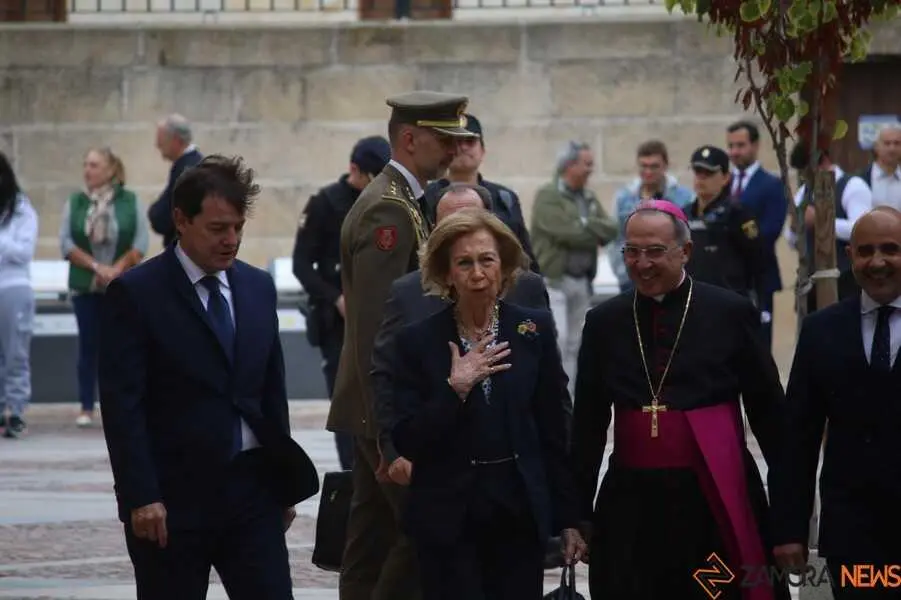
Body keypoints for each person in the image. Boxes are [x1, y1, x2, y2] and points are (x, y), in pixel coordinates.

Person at [98, 155, 319, 600]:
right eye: (218, 228)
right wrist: (141, 495)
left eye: (238, 227)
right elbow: (123, 407)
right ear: (181, 220)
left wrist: (281, 486)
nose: (231, 240)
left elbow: (270, 391)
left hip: (253, 493)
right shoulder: (137, 294)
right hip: (172, 500)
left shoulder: (257, 288)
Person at [571, 200, 789, 600]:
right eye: (632, 252)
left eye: (655, 251)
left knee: (715, 591)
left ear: (685, 251)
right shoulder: (604, 322)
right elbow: (587, 425)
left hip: (711, 503)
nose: (642, 263)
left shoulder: (730, 313)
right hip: (631, 509)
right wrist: (577, 513)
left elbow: (771, 417)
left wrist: (789, 518)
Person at [390, 208, 586, 600]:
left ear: (504, 266)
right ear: (447, 273)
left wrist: (570, 519)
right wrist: (455, 388)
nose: (477, 273)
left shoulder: (532, 329)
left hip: (517, 509)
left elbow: (554, 428)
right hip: (449, 514)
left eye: (487, 260)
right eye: (464, 263)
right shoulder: (418, 341)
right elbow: (408, 438)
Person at [326, 90, 476, 600]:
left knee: (371, 542)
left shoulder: (403, 201)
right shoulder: (388, 212)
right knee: (422, 532)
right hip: (388, 410)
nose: (455, 150)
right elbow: (378, 329)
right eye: (444, 139)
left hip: (383, 408)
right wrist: (386, 434)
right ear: (410, 139)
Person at [770, 206, 901, 599]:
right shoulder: (822, 330)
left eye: (890, 249)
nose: (877, 262)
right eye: (866, 251)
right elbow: (797, 438)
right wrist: (789, 529)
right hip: (852, 534)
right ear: (850, 256)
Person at [292, 135, 392, 471]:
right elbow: (301, 264)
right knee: (347, 405)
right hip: (338, 324)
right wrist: (335, 298)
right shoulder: (325, 204)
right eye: (371, 177)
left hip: (379, 319)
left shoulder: (387, 203)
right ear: (354, 170)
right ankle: (351, 475)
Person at [60, 147, 149, 428]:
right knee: (88, 347)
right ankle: (87, 406)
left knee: (122, 348)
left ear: (110, 170)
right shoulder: (76, 202)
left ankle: (121, 405)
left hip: (122, 286)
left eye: (94, 165)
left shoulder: (130, 201)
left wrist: (115, 270)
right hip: (86, 286)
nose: (88, 170)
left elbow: (140, 242)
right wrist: (98, 268)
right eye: (86, 164)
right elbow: (66, 243)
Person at [530, 141, 617, 394]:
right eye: (587, 164)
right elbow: (565, 232)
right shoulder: (548, 195)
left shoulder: (588, 197)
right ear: (570, 165)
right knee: (557, 342)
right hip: (555, 282)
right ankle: (553, 399)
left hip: (582, 281)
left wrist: (584, 224)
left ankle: (570, 400)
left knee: (576, 345)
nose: (591, 169)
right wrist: (590, 229)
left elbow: (611, 229)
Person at [422, 113, 540, 272]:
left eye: (470, 141)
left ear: (483, 150)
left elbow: (524, 257)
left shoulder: (504, 198)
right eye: (455, 141)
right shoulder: (425, 197)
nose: (462, 147)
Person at [726, 120, 788, 349]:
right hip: (727, 278)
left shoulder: (771, 185)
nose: (735, 152)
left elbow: (770, 231)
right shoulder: (724, 183)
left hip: (759, 276)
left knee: (758, 344)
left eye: (740, 145)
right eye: (731, 146)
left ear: (755, 145)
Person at [684, 145, 766, 306]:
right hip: (692, 301)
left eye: (708, 173)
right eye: (698, 172)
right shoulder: (684, 214)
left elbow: (757, 259)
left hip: (728, 301)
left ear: (725, 177)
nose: (701, 178)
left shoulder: (738, 214)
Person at [0, 152, 38, 439]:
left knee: (15, 351)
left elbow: (23, 252)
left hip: (13, 287)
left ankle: (15, 408)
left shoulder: (22, 210)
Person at [148, 114, 204, 247]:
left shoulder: (188, 170)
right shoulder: (189, 164)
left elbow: (167, 215)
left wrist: (155, 213)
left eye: (162, 141)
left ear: (176, 141)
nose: (158, 145)